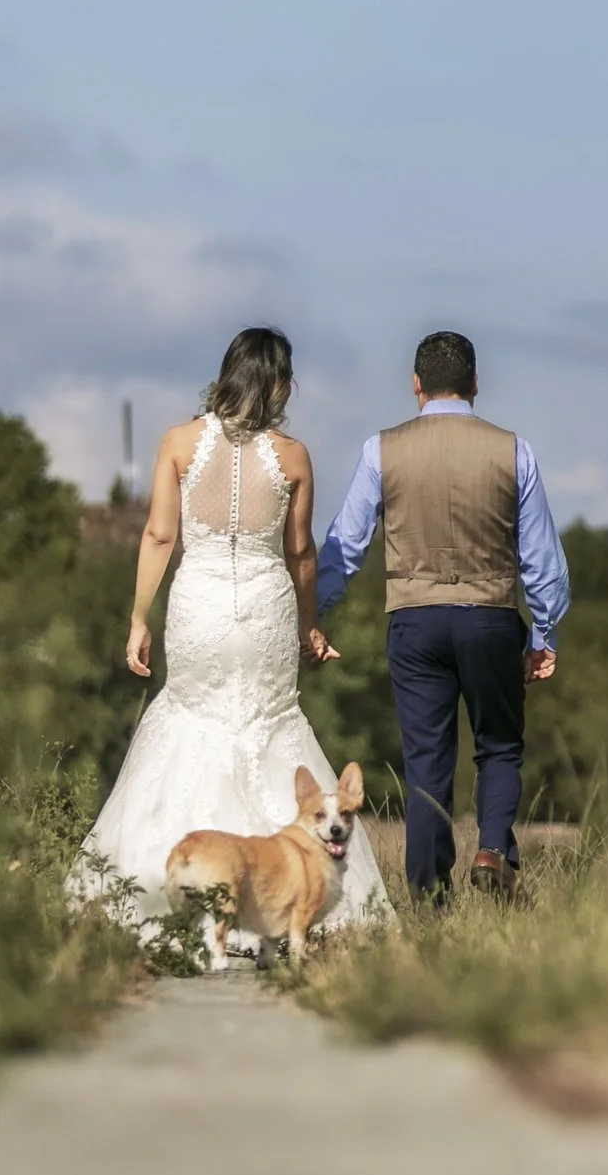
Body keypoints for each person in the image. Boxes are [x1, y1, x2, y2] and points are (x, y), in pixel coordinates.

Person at [78, 326, 389, 933]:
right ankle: (287, 904)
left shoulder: (177, 443)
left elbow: (160, 536)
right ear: (275, 384)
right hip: (267, 610)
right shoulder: (294, 457)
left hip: (200, 607)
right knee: (271, 727)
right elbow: (301, 554)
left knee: (188, 720)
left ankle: (168, 892)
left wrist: (138, 616)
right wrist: (309, 624)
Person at [315, 330, 569, 901]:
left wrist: (316, 613)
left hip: (416, 620)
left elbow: (345, 545)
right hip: (491, 615)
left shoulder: (381, 449)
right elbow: (542, 559)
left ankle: (430, 894)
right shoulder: (514, 450)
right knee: (499, 745)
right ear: (475, 384)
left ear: (416, 386)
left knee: (426, 761)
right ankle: (493, 850)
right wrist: (545, 632)